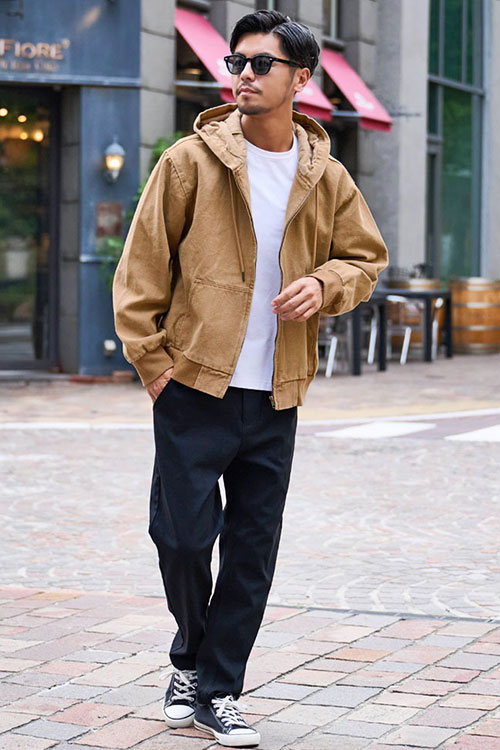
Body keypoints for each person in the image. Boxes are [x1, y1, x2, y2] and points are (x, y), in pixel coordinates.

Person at [113, 9, 388, 748]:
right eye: (236, 62)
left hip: (276, 392)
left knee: (251, 549)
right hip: (193, 387)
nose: (242, 75)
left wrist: (324, 283)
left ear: (302, 79)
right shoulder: (189, 162)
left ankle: (217, 688)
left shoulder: (326, 176)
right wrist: (155, 368)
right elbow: (140, 271)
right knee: (180, 537)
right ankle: (191, 656)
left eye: (261, 64)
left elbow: (366, 259)